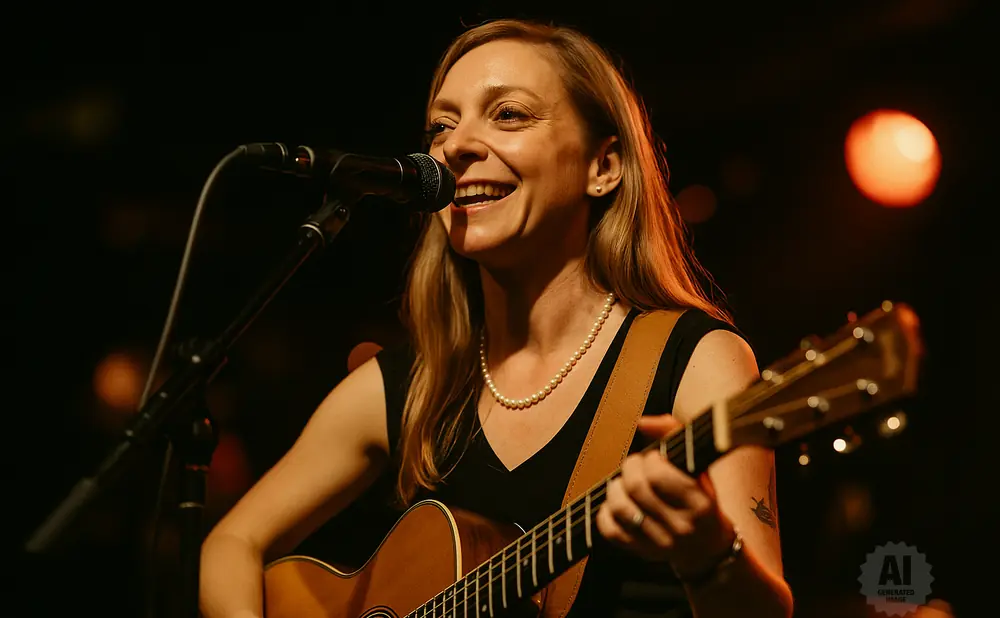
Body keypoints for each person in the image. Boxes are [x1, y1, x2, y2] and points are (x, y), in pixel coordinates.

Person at [199, 18, 794, 618]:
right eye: (441, 126)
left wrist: (706, 549)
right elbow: (231, 541)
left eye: (508, 114)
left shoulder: (694, 360)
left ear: (604, 166)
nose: (455, 147)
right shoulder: (412, 385)